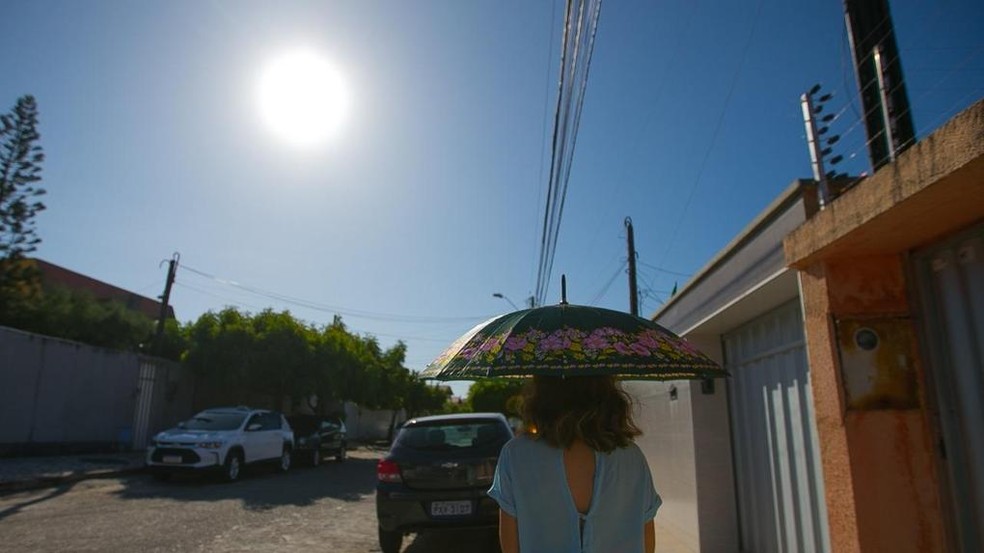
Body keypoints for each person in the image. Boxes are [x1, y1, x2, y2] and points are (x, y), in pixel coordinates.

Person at [488, 375, 661, 553]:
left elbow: (511, 547)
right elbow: (646, 543)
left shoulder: (516, 456)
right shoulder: (632, 458)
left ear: (542, 392)